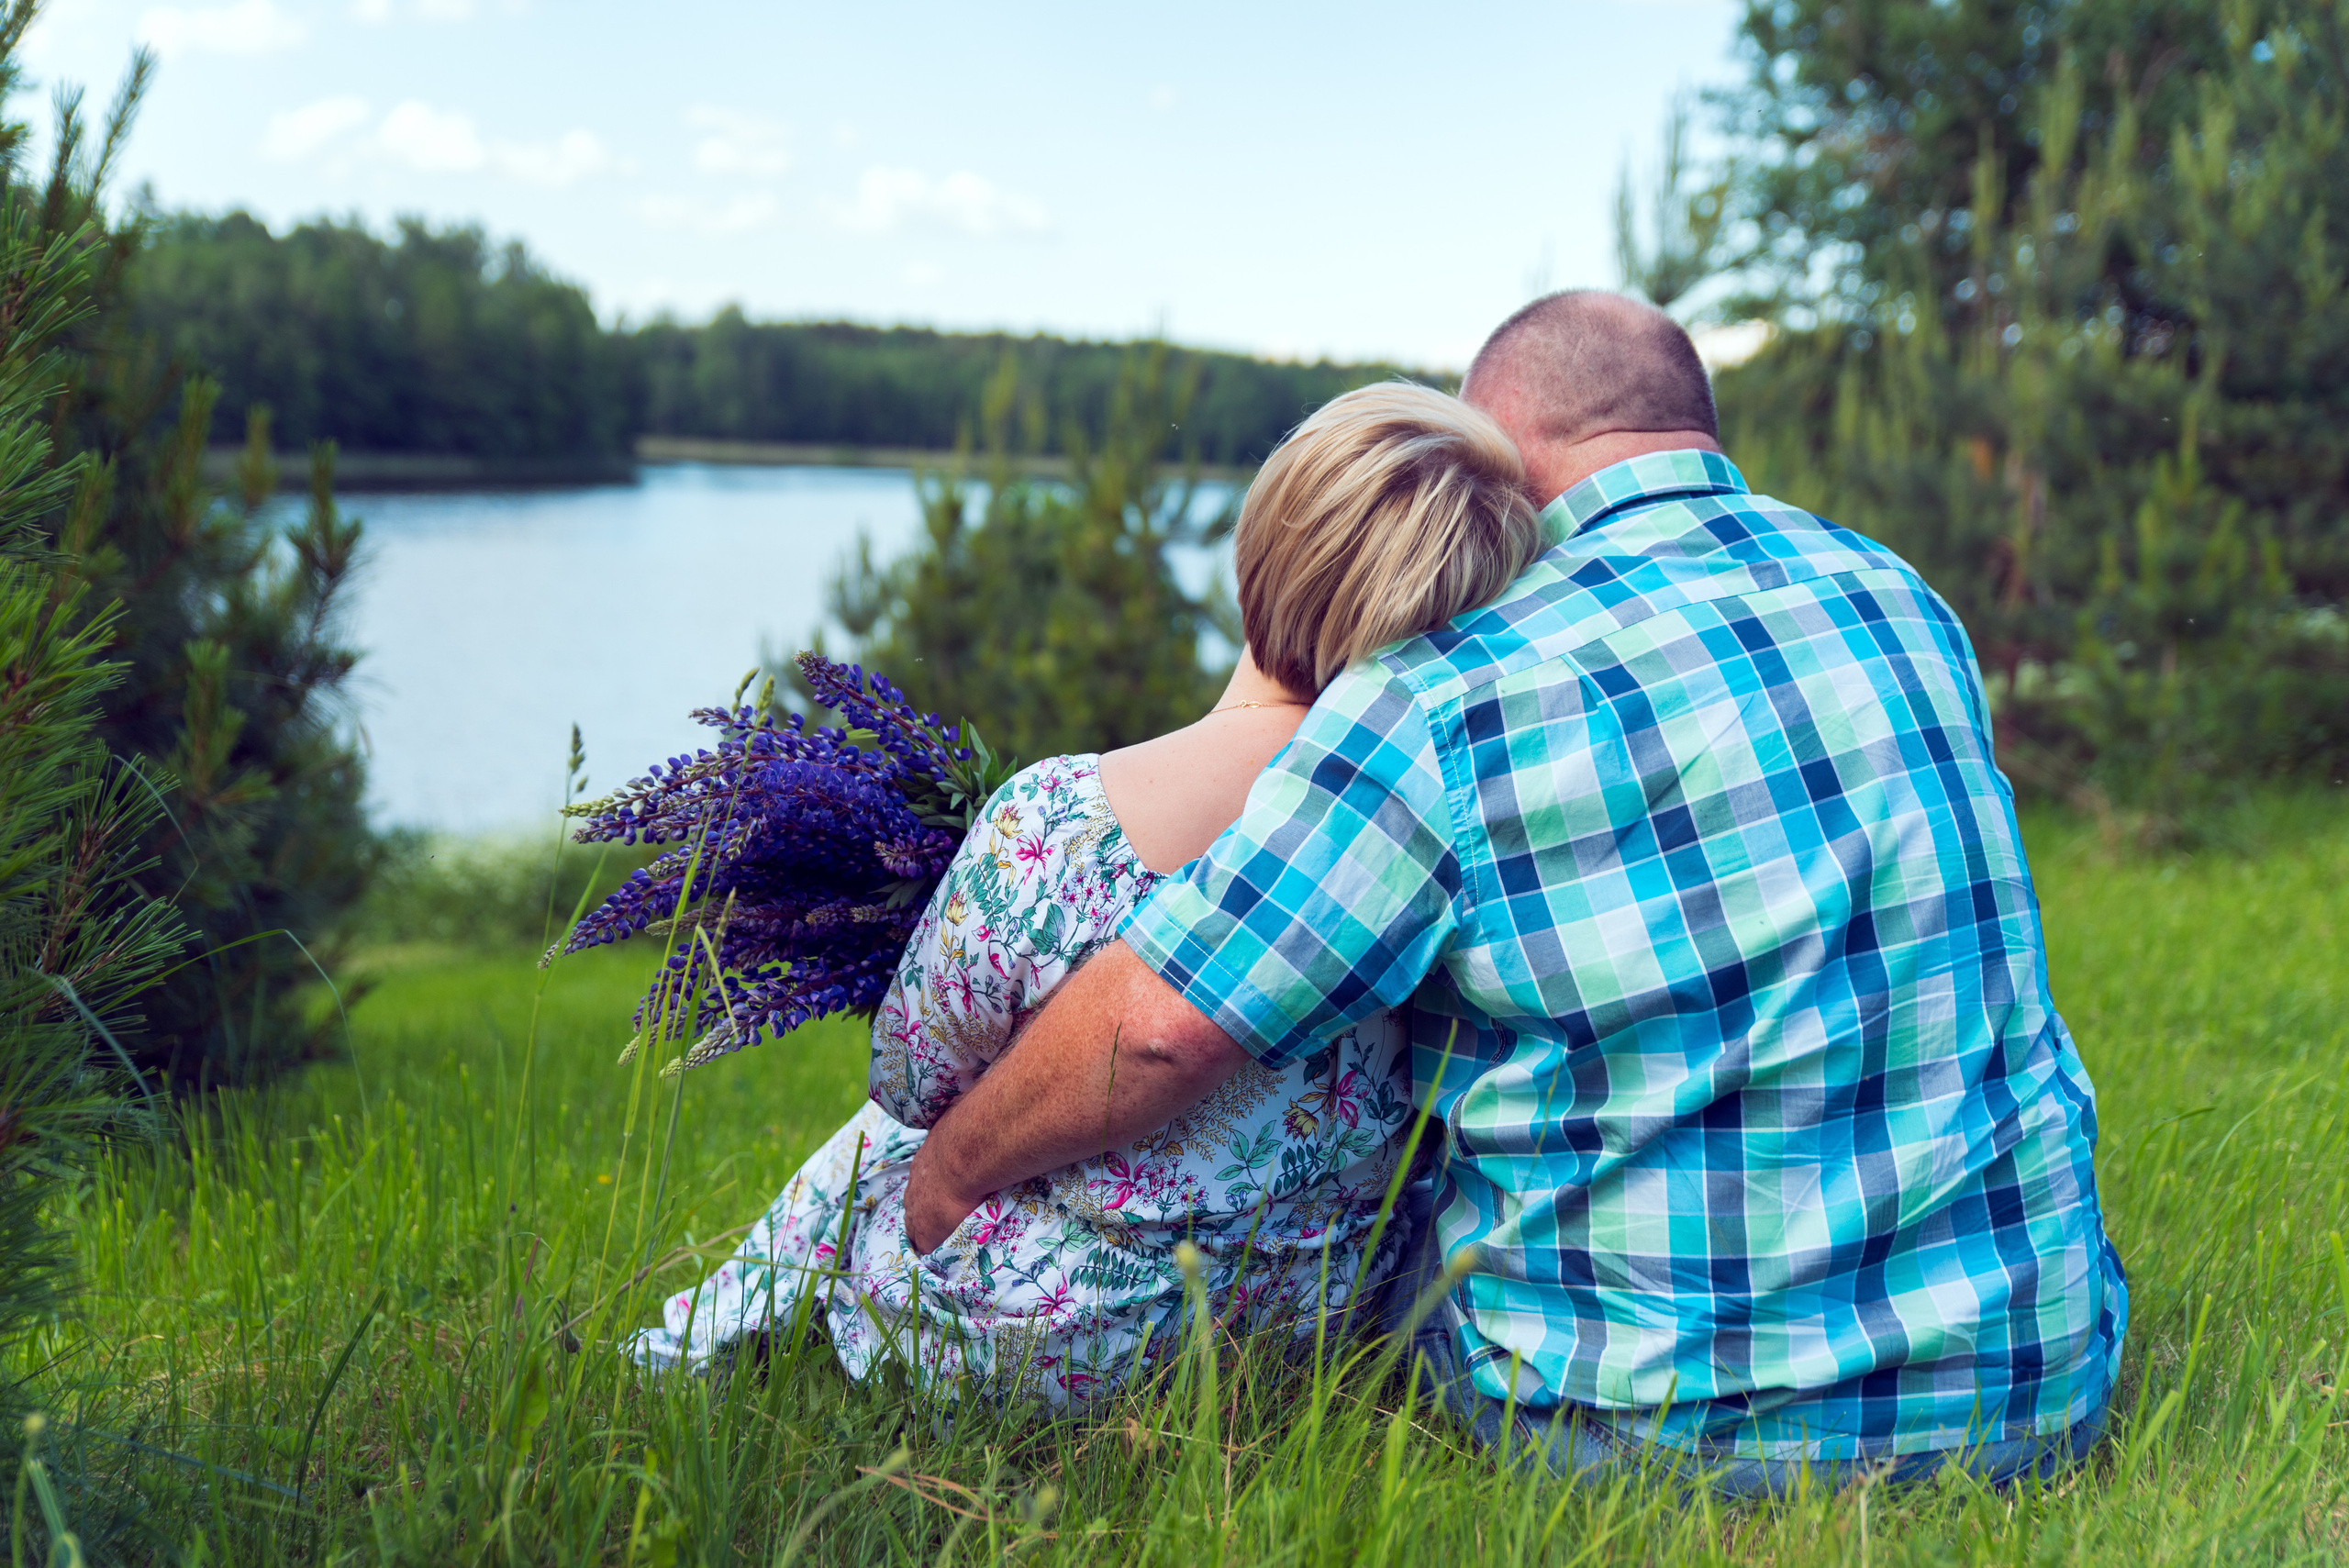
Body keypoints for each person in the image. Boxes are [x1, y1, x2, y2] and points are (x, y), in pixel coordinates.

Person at [900, 291, 2128, 1493]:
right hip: (2034, 1387)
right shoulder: (1897, 596)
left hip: (1653, 1435)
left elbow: (1164, 1026)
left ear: (1500, 449)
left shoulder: (1451, 688)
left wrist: (952, 1167)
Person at [628, 383, 1544, 1403]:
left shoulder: (1058, 814)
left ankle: (682, 1354)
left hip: (1058, 1332)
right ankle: (696, 1345)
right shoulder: (1443, 830)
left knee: (879, 1136)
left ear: (1262, 545)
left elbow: (912, 1079)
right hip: (1315, 1322)